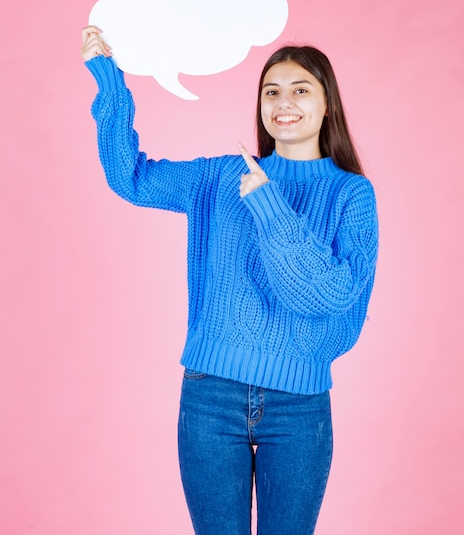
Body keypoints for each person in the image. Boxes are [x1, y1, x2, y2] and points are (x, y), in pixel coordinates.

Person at [80, 26, 378, 535]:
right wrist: (109, 82)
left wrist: (267, 203)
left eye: (300, 89)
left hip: (299, 405)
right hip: (210, 397)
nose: (284, 102)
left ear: (328, 105)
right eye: (272, 91)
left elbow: (325, 296)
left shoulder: (352, 195)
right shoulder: (219, 177)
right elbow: (128, 176)